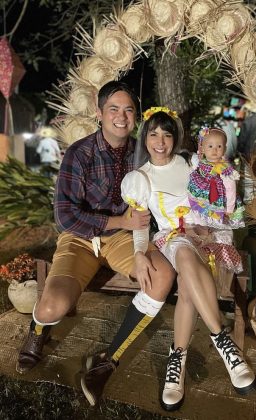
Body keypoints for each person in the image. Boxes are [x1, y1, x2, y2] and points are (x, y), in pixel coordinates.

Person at [16, 82, 175, 407]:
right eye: (114, 109)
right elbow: (65, 218)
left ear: (136, 116)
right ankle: (38, 329)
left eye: (128, 109)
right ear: (100, 112)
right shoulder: (79, 153)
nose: (121, 116)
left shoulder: (142, 153)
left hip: (123, 240)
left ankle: (108, 359)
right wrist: (120, 222)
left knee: (162, 275)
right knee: (52, 307)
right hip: (81, 238)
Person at [116, 108, 256, 412]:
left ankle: (176, 360)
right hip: (171, 240)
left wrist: (211, 227)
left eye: (167, 134)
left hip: (206, 241)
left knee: (186, 280)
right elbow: (141, 227)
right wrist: (140, 255)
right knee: (181, 250)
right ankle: (223, 341)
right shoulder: (140, 178)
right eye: (153, 133)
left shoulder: (192, 164)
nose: (160, 141)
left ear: (175, 137)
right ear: (145, 137)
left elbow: (217, 201)